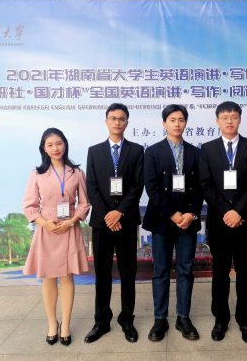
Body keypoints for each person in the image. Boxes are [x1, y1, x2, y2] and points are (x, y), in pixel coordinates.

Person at [199, 101, 247, 344]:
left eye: (234, 116)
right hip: (219, 221)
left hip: (245, 219)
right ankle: (221, 319)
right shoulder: (207, 148)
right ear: (217, 121)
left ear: (240, 119)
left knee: (245, 272)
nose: (229, 121)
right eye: (224, 117)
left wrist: (238, 211)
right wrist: (227, 211)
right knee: (220, 272)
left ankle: (245, 321)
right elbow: (205, 184)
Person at [23, 127, 90, 346]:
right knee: (49, 277)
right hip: (47, 228)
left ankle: (66, 324)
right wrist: (44, 223)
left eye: (59, 143)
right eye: (50, 145)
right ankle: (52, 324)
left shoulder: (76, 173)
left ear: (65, 144)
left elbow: (84, 203)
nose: (55, 148)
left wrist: (71, 221)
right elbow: (29, 205)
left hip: (69, 227)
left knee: (67, 277)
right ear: (44, 148)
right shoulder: (37, 174)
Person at [84, 103, 144, 344]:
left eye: (121, 118)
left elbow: (138, 186)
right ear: (106, 121)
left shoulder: (137, 150)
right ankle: (101, 321)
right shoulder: (94, 151)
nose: (117, 122)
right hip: (102, 223)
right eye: (113, 118)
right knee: (102, 273)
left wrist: (119, 212)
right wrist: (108, 215)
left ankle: (127, 320)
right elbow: (91, 187)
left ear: (127, 122)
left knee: (128, 273)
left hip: (126, 221)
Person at [143, 104, 204, 342]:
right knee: (161, 270)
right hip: (162, 220)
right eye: (172, 119)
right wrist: (172, 214)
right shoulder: (153, 152)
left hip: (187, 221)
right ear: (164, 123)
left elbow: (200, 187)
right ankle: (160, 319)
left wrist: (190, 214)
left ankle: (183, 318)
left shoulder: (195, 152)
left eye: (181, 119)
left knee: (186, 270)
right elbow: (152, 187)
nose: (177, 124)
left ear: (186, 123)